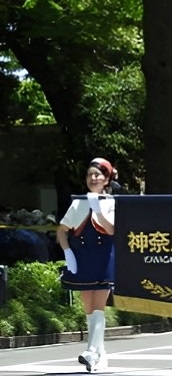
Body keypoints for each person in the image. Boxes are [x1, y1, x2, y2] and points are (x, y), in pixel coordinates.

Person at [57, 158, 117, 372]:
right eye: (90, 174)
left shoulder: (111, 201)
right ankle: (100, 355)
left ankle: (91, 351)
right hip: (82, 257)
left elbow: (112, 230)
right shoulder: (78, 202)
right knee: (89, 308)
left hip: (104, 257)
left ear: (107, 178)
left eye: (98, 175)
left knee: (99, 305)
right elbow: (61, 230)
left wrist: (99, 211)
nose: (93, 178)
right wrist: (67, 253)